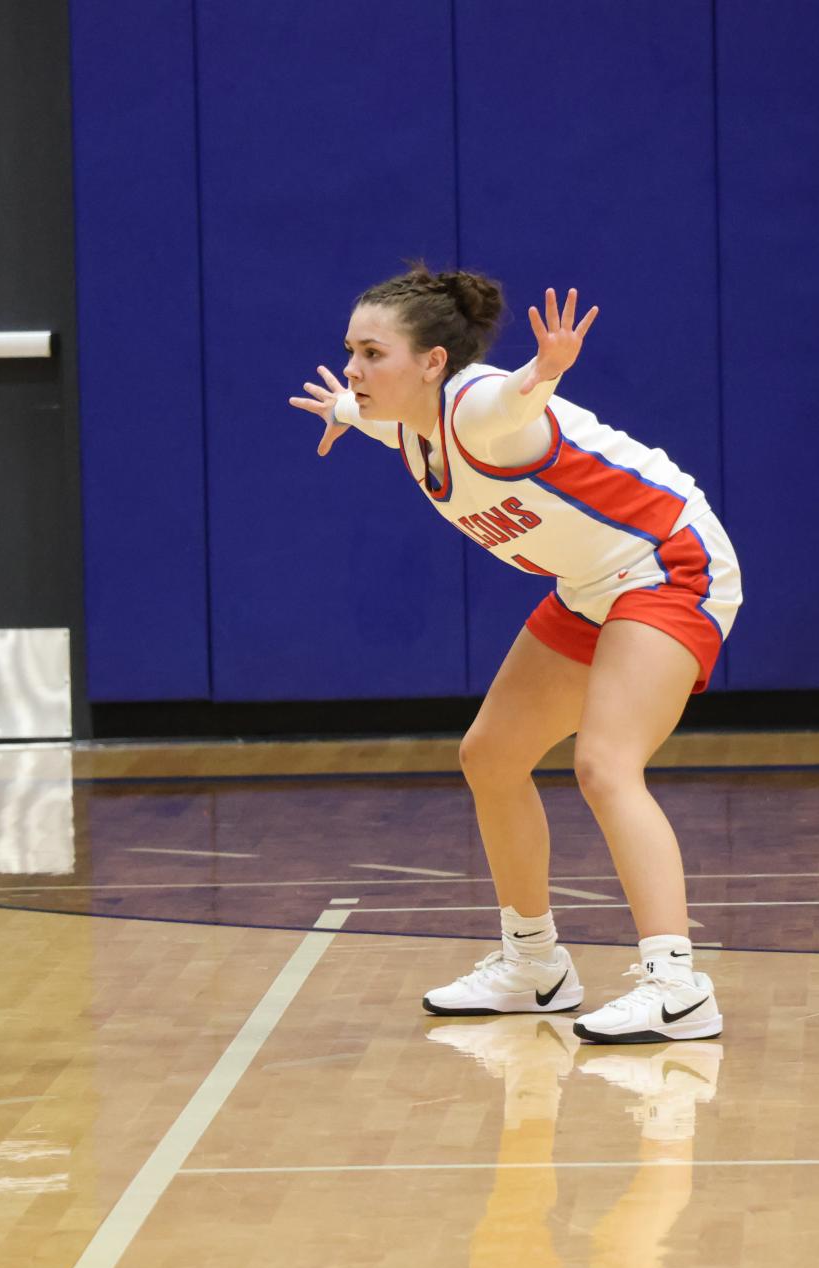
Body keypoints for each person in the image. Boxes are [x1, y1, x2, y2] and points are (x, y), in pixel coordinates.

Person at [291, 268, 742, 1043]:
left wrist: (542, 373)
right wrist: (341, 406)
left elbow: (510, 402)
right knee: (491, 756)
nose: (356, 370)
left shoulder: (477, 406)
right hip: (590, 585)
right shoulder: (401, 419)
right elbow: (361, 408)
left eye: (372, 354)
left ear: (433, 362)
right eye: (350, 353)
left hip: (666, 562)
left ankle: (677, 987)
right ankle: (534, 969)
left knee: (604, 764)